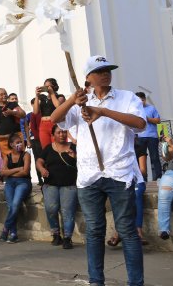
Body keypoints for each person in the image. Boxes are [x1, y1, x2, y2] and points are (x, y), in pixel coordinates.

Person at [50, 55, 147, 286]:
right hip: (89, 175)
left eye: (108, 69)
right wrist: (73, 100)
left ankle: (136, 282)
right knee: (94, 231)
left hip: (119, 172)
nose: (106, 73)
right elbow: (55, 118)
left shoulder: (126, 97)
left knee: (127, 231)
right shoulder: (81, 101)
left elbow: (140, 124)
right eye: (100, 70)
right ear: (88, 78)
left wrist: (102, 112)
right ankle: (96, 281)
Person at [36, 125, 78, 249]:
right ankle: (56, 234)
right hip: (51, 184)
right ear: (53, 134)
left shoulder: (74, 147)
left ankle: (67, 238)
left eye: (64, 132)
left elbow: (83, 163)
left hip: (69, 185)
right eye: (59, 132)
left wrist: (74, 157)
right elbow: (39, 161)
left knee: (68, 211)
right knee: (50, 209)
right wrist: (42, 169)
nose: (62, 135)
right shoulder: (48, 148)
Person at [0, 133, 32, 244]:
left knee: (15, 204)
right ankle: (13, 234)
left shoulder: (26, 155)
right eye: (17, 142)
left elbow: (25, 172)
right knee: (10, 206)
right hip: (10, 183)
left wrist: (10, 173)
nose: (20, 144)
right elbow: (2, 172)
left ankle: (5, 229)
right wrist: (18, 169)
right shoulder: (7, 156)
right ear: (12, 144)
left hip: (23, 182)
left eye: (21, 142)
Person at [134, 92, 162, 181]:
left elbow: (158, 120)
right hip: (139, 137)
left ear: (145, 100)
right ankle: (142, 179)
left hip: (152, 137)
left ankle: (157, 177)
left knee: (155, 157)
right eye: (138, 100)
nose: (141, 102)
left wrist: (147, 119)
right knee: (141, 158)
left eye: (142, 100)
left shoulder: (151, 108)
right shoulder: (134, 110)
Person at [0, 88, 25, 158]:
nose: (4, 95)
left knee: (20, 158)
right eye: (1, 95)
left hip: (16, 137)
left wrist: (12, 112)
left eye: (5, 94)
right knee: (7, 160)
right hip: (3, 140)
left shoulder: (13, 104)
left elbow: (23, 114)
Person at [32, 78, 63, 149]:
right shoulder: (42, 98)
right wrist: (37, 96)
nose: (47, 88)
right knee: (46, 147)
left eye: (49, 86)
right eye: (45, 86)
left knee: (56, 146)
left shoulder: (60, 97)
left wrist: (52, 93)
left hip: (55, 124)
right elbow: (35, 112)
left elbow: (58, 106)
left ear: (54, 87)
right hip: (43, 125)